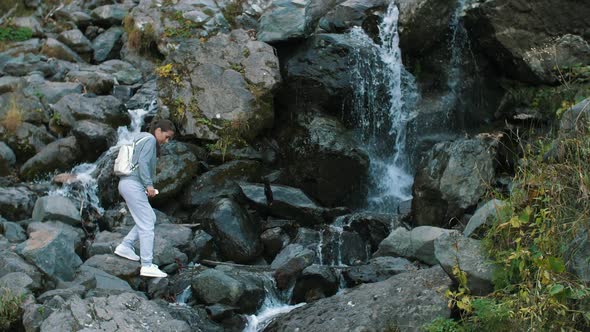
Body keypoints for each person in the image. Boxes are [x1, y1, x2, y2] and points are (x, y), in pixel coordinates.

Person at [114, 119, 175, 278]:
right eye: (166, 136)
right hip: (133, 185)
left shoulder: (140, 137)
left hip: (126, 183)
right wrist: (149, 185)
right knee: (147, 222)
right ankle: (147, 265)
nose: (166, 141)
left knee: (150, 217)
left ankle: (125, 246)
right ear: (159, 130)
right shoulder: (150, 139)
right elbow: (143, 162)